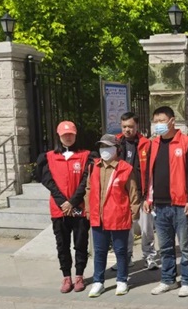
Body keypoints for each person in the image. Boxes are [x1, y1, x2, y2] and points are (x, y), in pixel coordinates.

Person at [144, 106, 188, 297]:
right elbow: (149, 173)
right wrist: (148, 197)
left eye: (162, 120)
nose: (158, 124)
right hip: (160, 204)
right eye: (156, 121)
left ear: (172, 121)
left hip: (181, 203)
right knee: (165, 247)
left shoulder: (187, 142)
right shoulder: (153, 144)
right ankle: (168, 279)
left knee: (186, 246)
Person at [36, 121, 91, 293]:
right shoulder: (49, 157)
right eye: (64, 135)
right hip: (59, 209)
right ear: (58, 136)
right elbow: (48, 181)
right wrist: (63, 202)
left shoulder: (86, 156)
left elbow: (86, 180)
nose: (68, 137)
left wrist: (73, 202)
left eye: (71, 134)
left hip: (79, 207)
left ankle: (79, 275)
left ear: (75, 135)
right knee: (62, 244)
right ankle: (66, 276)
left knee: (81, 243)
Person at [85, 134, 140, 297]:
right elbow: (88, 189)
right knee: (99, 251)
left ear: (117, 149)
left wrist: (133, 213)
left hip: (118, 215)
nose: (104, 150)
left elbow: (133, 192)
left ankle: (122, 280)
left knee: (120, 250)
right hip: (98, 216)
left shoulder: (125, 168)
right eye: (102, 146)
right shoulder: (94, 167)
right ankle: (98, 281)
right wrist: (88, 210)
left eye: (108, 147)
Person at [112, 112, 157, 271]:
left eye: (130, 126)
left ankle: (149, 256)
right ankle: (126, 257)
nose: (127, 129)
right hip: (122, 193)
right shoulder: (116, 142)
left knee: (146, 228)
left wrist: (148, 196)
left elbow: (150, 170)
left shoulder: (146, 144)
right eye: (124, 126)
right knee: (125, 228)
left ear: (137, 126)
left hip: (141, 192)